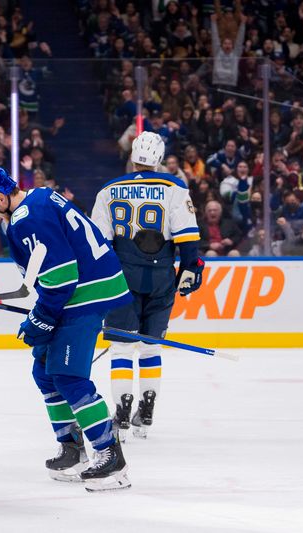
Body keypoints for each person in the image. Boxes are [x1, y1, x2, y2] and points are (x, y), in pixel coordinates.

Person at [0, 166, 132, 492]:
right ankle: (72, 449)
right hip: (78, 292)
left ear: (1, 197)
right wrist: (42, 315)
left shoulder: (28, 217)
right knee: (44, 372)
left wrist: (41, 318)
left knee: (69, 377)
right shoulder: (36, 200)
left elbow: (61, 278)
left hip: (84, 295)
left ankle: (110, 455)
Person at [90, 131, 204, 440]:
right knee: (151, 346)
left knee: (122, 347)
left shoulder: (109, 190)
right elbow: (188, 238)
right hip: (162, 276)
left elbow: (99, 243)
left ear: (132, 157)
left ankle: (123, 414)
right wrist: (191, 270)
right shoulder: (175, 187)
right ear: (160, 159)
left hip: (122, 277)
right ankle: (147, 408)